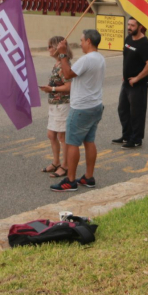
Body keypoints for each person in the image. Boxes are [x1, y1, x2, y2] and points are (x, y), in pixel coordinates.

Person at [51, 29, 106, 192]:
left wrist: (62, 54)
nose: (80, 43)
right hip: (95, 105)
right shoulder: (100, 58)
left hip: (81, 107)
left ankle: (70, 180)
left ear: (89, 41)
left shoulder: (86, 59)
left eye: (82, 40)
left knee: (72, 142)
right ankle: (89, 177)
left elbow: (67, 74)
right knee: (89, 141)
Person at [114, 18, 148, 149]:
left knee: (136, 113)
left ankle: (136, 139)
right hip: (126, 83)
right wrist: (124, 75)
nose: (129, 27)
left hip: (138, 85)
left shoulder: (143, 44)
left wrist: (137, 78)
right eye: (129, 25)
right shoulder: (128, 39)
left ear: (140, 26)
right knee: (123, 110)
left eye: (132, 25)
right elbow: (127, 58)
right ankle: (126, 135)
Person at [39, 35, 72, 179]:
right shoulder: (57, 64)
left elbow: (69, 86)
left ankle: (66, 165)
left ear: (58, 48)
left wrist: (51, 90)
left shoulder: (64, 65)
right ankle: (56, 161)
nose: (48, 49)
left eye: (50, 46)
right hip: (54, 105)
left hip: (62, 104)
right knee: (51, 134)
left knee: (62, 136)